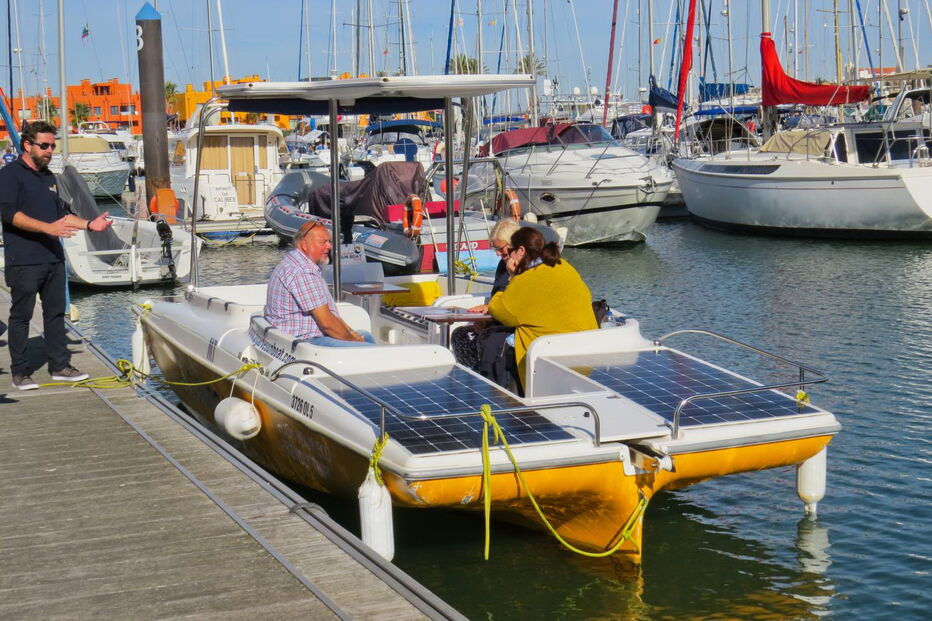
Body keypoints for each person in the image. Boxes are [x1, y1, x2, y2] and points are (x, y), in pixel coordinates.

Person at [1, 121, 113, 390]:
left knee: (55, 314)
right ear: (27, 145)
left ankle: (60, 366)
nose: (50, 150)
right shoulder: (9, 175)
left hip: (53, 257)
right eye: (44, 145)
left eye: (52, 145)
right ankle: (20, 372)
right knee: (21, 316)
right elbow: (8, 213)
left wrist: (89, 224)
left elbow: (62, 215)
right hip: (24, 259)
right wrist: (47, 228)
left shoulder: (50, 178)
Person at [488, 227, 598, 389]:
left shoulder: (527, 278)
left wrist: (512, 276)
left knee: (487, 340)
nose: (507, 255)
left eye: (510, 250)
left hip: (545, 362)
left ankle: (503, 399)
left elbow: (501, 311)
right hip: (585, 355)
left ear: (521, 251)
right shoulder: (563, 266)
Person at [264, 220, 376, 347]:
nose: (329, 246)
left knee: (365, 336)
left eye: (329, 242)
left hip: (307, 336)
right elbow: (327, 324)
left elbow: (331, 314)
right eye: (322, 242)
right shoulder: (302, 271)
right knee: (368, 349)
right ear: (304, 245)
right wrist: (353, 340)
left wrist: (350, 332)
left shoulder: (298, 263)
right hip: (306, 341)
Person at [450, 218, 521, 371]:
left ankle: (483, 379)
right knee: (459, 334)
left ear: (514, 245)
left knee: (470, 338)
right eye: (494, 248)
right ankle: (481, 378)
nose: (497, 253)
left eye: (500, 248)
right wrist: (488, 313)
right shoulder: (504, 265)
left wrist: (490, 316)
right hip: (501, 319)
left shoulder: (525, 269)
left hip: (515, 328)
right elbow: (499, 294)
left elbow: (516, 304)